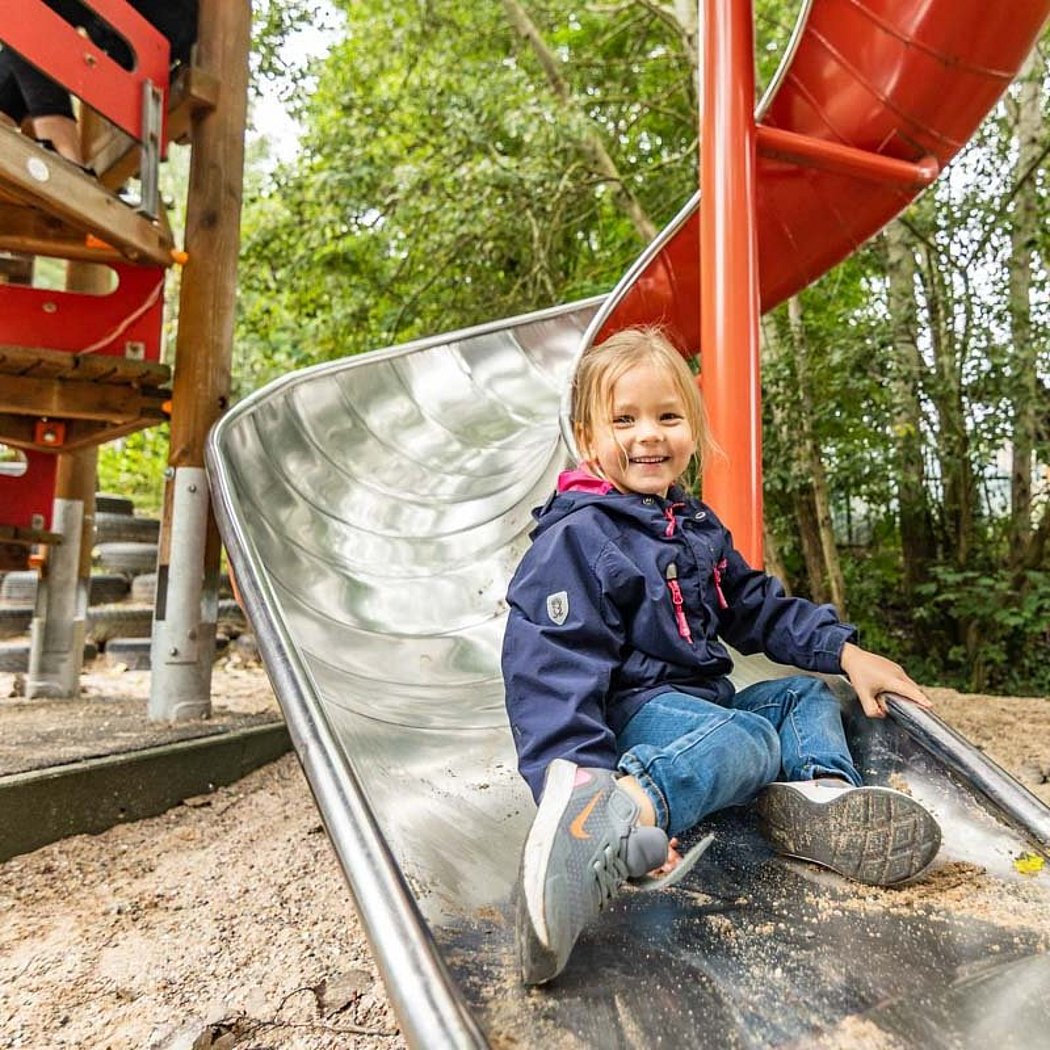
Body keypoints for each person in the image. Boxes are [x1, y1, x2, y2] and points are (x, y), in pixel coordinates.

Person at [501, 325, 942, 985]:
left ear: (691, 430)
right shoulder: (579, 539)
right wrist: (580, 779)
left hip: (701, 712)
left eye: (668, 416)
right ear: (588, 438)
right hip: (638, 718)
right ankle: (617, 817)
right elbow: (549, 676)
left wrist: (845, 653)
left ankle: (817, 798)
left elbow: (756, 607)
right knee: (747, 738)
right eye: (625, 419)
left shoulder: (695, 527)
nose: (649, 433)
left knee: (799, 696)